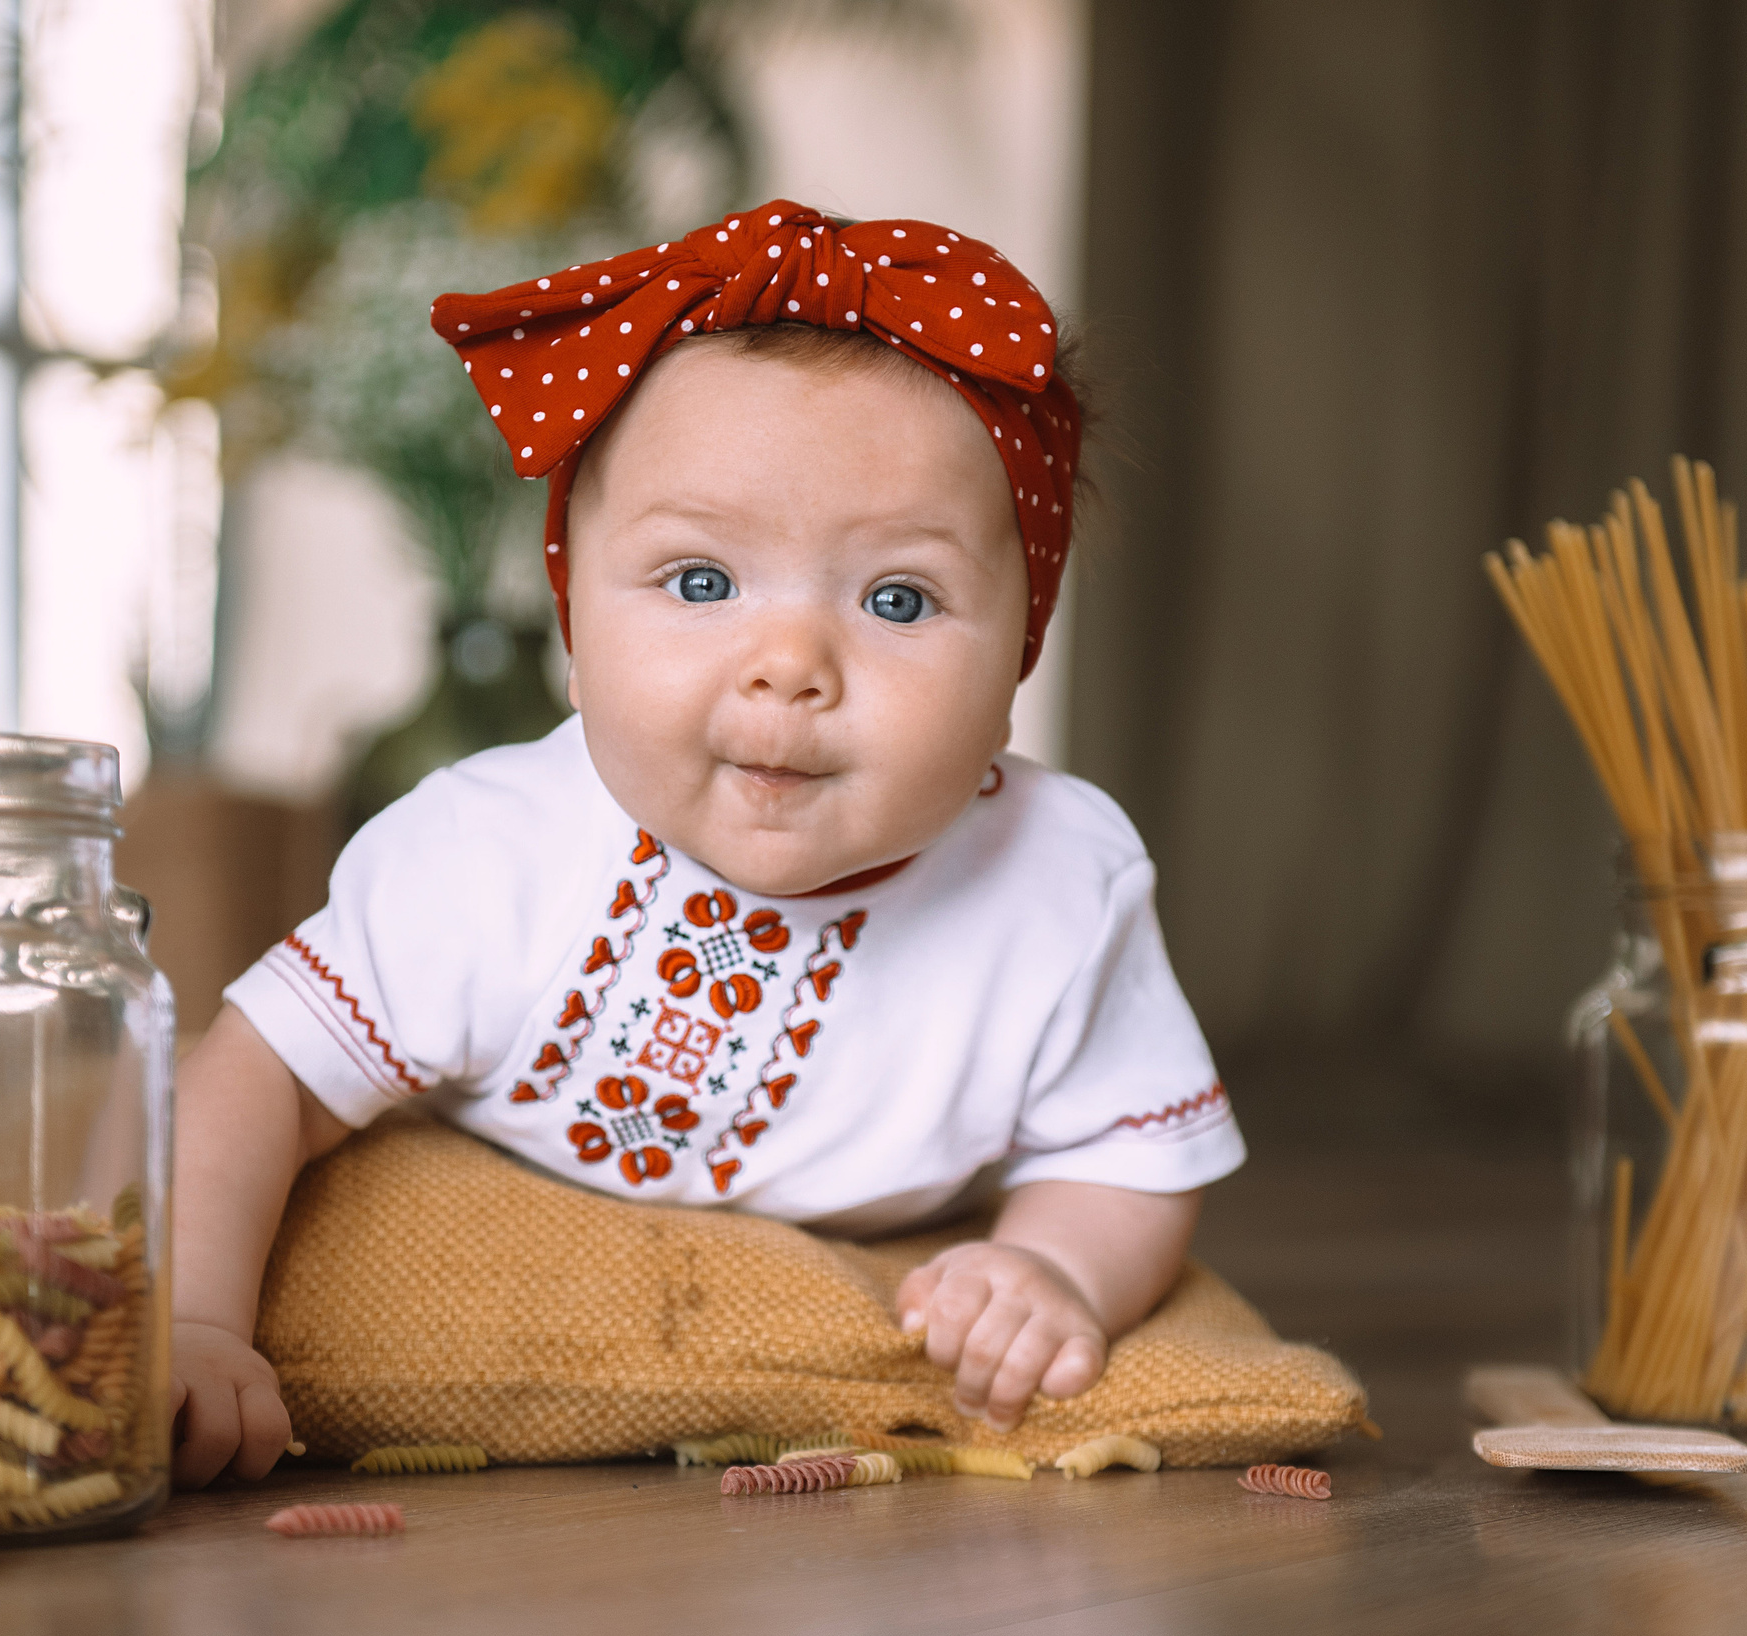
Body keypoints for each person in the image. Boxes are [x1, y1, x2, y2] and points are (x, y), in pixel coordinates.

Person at [167, 201, 1243, 1487]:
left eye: (898, 598)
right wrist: (191, 1320)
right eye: (699, 582)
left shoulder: (1058, 881)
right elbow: (260, 1072)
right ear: (575, 615)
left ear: (1021, 648)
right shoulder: (487, 850)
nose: (789, 666)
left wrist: (1055, 1262)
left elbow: (1128, 1150)